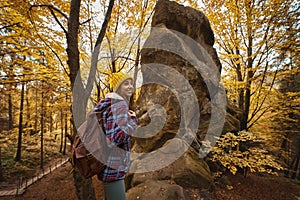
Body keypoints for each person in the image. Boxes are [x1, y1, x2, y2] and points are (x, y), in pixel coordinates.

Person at [94, 72, 137, 200]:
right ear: (118, 87)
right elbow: (114, 139)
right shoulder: (119, 105)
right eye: (125, 84)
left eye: (131, 83)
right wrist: (133, 121)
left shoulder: (108, 104)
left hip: (107, 165)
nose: (130, 86)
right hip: (114, 168)